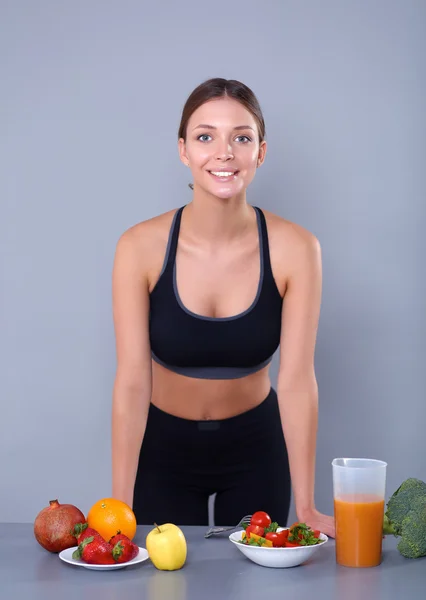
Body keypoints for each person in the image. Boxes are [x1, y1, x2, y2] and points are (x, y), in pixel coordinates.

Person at [111, 77, 335, 537]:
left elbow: (295, 380)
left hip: (256, 449)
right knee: (162, 584)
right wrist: (118, 507)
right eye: (205, 136)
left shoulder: (297, 249)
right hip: (164, 450)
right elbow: (133, 380)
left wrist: (308, 506)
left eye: (242, 137)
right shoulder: (139, 247)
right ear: (183, 150)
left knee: (255, 582)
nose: (224, 152)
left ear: (261, 152)